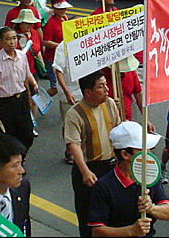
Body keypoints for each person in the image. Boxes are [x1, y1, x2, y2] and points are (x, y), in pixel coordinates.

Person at [88, 121, 169, 237]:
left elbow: (167, 213)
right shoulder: (104, 186)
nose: (148, 153)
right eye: (143, 149)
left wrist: (151, 208)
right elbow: (97, 231)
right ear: (125, 154)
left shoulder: (149, 176)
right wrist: (131, 231)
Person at [64, 70, 121, 237]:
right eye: (101, 86)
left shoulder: (110, 103)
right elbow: (74, 144)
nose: (107, 89)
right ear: (88, 92)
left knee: (112, 215)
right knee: (90, 219)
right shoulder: (74, 114)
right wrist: (85, 171)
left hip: (111, 167)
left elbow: (118, 130)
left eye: (105, 84)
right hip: (89, 170)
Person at [0, 27, 39, 158]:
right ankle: (8, 160)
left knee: (28, 134)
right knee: (8, 135)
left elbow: (27, 73)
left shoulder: (21, 56)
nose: (12, 42)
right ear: (1, 42)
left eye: (14, 38)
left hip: (21, 100)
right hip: (4, 103)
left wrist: (34, 84)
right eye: (8, 39)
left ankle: (19, 158)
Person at [53, 40, 83, 165]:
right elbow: (58, 71)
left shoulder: (87, 41)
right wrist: (66, 92)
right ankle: (70, 150)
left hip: (84, 90)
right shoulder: (62, 47)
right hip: (70, 92)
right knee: (68, 123)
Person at [11, 8, 44, 120]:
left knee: (33, 99)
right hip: (18, 73)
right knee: (22, 100)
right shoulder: (15, 36)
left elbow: (37, 50)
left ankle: (31, 123)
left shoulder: (34, 33)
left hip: (32, 71)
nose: (29, 25)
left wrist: (41, 62)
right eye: (26, 23)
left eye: (31, 23)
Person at [43, 0, 73, 97]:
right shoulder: (50, 24)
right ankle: (38, 101)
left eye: (64, 8)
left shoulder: (65, 18)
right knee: (55, 87)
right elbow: (45, 41)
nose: (63, 10)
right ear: (54, 9)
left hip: (63, 56)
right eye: (60, 9)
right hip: (52, 58)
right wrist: (60, 46)